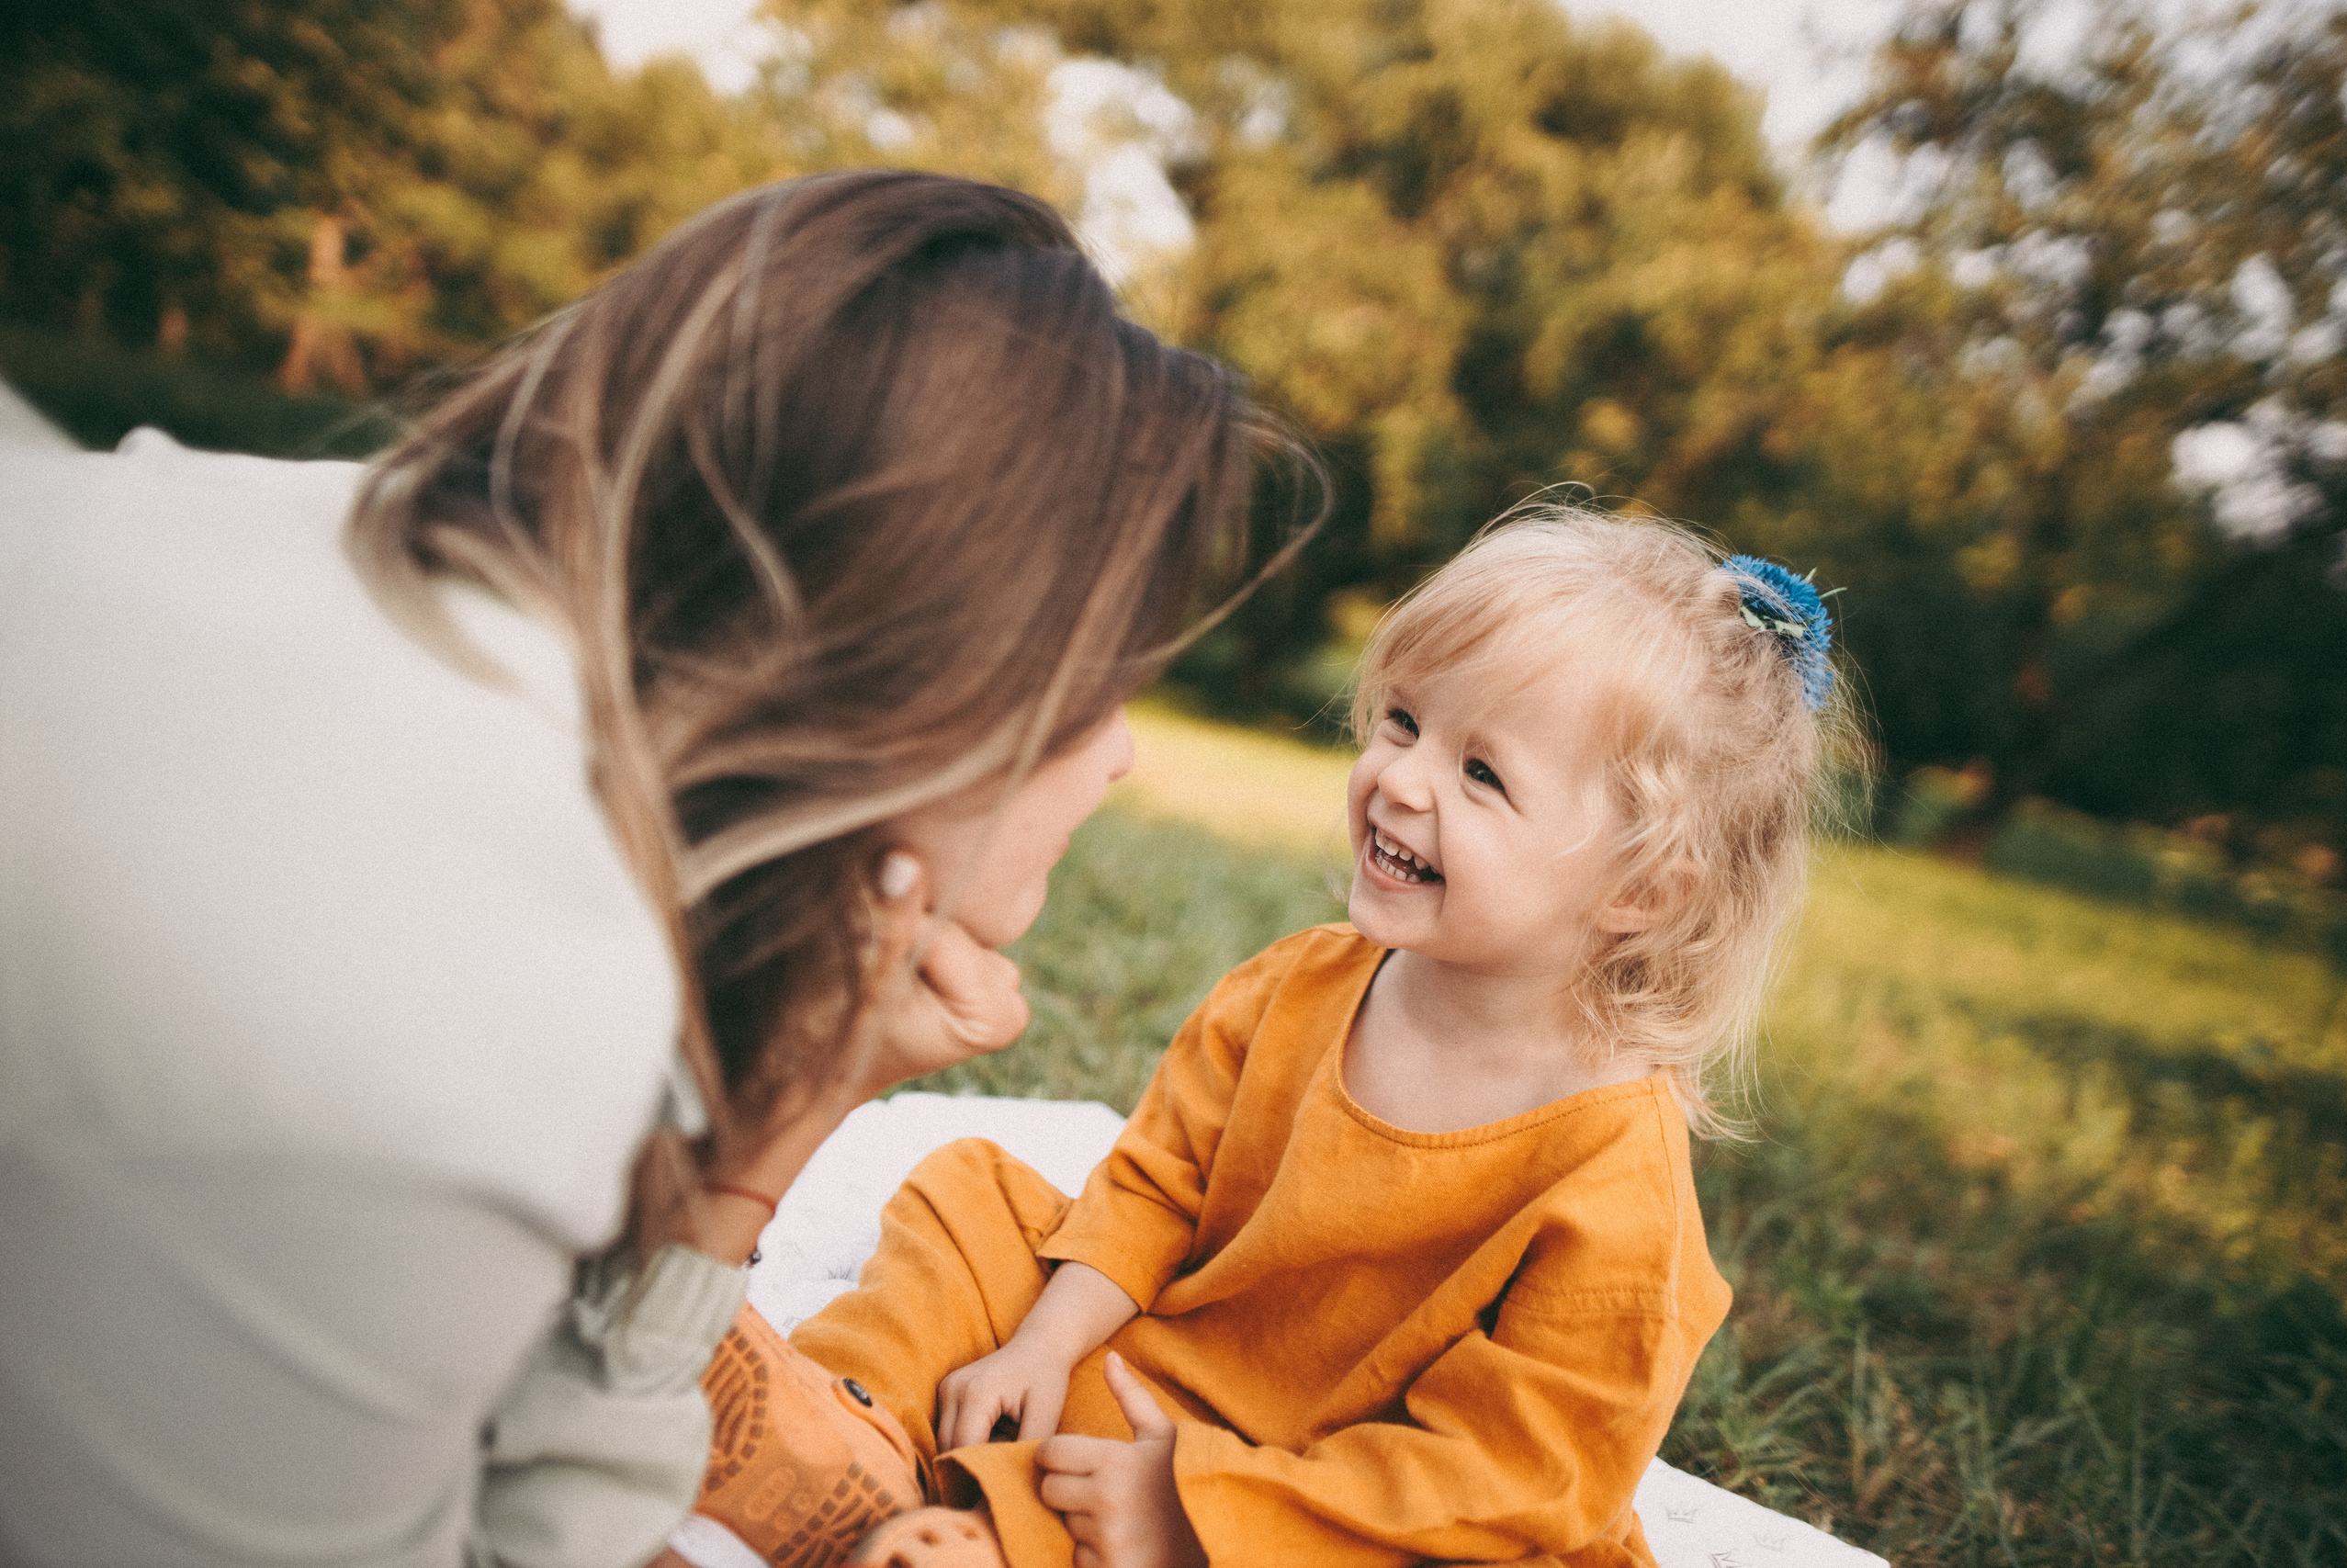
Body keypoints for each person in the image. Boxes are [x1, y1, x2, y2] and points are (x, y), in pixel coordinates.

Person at [0, 170, 1304, 1568]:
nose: (1117, 757)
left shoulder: (254, 511)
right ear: (938, 674)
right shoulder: (475, 1020)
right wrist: (742, 1170)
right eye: (1104, 679)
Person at [683, 508, 1851, 1568]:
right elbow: (1154, 1183)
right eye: (1402, 721)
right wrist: (1044, 1342)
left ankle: (988, 1535)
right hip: (1173, 1367)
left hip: (1346, 1499)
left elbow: (1515, 1479)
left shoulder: (1615, 1188)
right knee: (971, 1198)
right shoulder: (1299, 986)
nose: (1399, 780)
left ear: (1640, 891)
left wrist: (1196, 1512)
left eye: (1481, 772)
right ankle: (847, 1425)